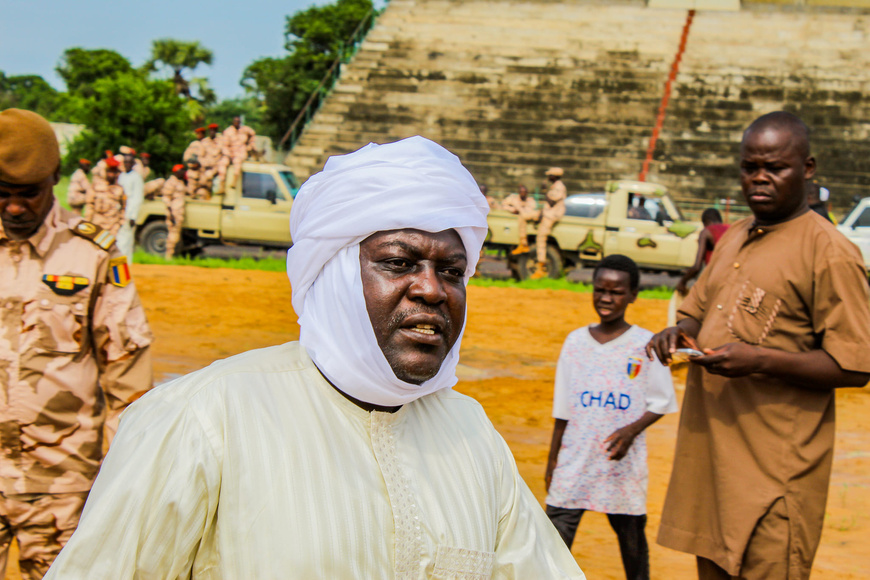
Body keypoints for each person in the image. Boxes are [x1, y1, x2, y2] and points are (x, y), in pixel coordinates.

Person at [46, 136, 586, 579]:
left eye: (451, 270)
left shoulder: (471, 433)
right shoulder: (203, 418)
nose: (433, 290)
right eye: (399, 262)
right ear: (333, 278)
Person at [646, 111, 870, 580]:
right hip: (712, 465)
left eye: (775, 167)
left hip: (775, 477)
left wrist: (760, 360)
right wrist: (677, 332)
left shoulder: (828, 251)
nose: (759, 179)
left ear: (807, 169)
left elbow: (855, 366)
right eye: (750, 167)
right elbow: (696, 310)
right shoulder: (737, 237)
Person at [0, 108, 153, 579]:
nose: (15, 208)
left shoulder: (92, 254)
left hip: (59, 483)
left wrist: (116, 474)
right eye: (2, 195)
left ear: (56, 180)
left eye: (29, 194)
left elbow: (127, 374)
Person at [545, 254, 677, 580]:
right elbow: (562, 407)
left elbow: (662, 401)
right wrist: (552, 460)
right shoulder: (575, 342)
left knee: (632, 544)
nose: (606, 298)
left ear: (632, 295)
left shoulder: (647, 345)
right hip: (575, 460)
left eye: (616, 292)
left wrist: (632, 431)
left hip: (621, 464)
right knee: (551, 544)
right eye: (600, 289)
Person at [675, 208, 730, 296]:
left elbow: (697, 267)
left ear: (705, 222)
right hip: (734, 280)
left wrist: (682, 282)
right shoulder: (732, 229)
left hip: (716, 280)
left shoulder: (707, 231)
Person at [531, 167, 567, 279]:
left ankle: (540, 266)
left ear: (555, 176)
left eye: (550, 175)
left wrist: (545, 191)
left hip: (551, 216)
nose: (548, 177)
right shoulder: (555, 186)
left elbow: (551, 202)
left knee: (541, 238)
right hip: (549, 214)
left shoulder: (559, 187)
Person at [84, 157, 126, 236]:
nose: (111, 175)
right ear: (105, 172)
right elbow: (89, 206)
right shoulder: (96, 187)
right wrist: (87, 223)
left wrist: (120, 223)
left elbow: (124, 208)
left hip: (113, 228)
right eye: (109, 172)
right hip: (97, 225)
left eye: (114, 172)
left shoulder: (120, 189)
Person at [116, 152, 145, 259]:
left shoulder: (136, 177)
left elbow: (137, 198)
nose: (127, 164)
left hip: (129, 212)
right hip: (119, 212)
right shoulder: (121, 176)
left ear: (133, 164)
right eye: (125, 162)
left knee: (125, 241)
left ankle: (124, 267)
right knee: (119, 240)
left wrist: (133, 216)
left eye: (129, 162)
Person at [221, 116, 256, 189]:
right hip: (230, 152)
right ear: (233, 122)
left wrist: (250, 145)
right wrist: (228, 154)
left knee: (237, 161)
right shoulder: (228, 131)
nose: (237, 123)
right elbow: (225, 145)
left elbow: (253, 134)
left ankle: (234, 180)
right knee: (223, 163)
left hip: (240, 152)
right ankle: (222, 184)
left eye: (238, 121)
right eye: (235, 121)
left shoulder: (245, 129)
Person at [503, 184, 539, 254]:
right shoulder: (513, 199)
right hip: (518, 221)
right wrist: (512, 209)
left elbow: (532, 210)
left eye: (524, 192)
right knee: (522, 216)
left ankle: (523, 244)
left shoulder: (530, 201)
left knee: (523, 216)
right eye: (521, 192)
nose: (523, 193)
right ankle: (523, 244)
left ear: (527, 193)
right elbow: (504, 205)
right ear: (519, 192)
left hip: (527, 218)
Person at [161, 164, 187, 259]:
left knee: (176, 234)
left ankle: (174, 254)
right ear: (177, 171)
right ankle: (169, 255)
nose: (184, 172)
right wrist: (170, 213)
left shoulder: (180, 182)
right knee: (173, 233)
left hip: (179, 212)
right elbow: (166, 198)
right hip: (174, 212)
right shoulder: (171, 182)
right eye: (182, 170)